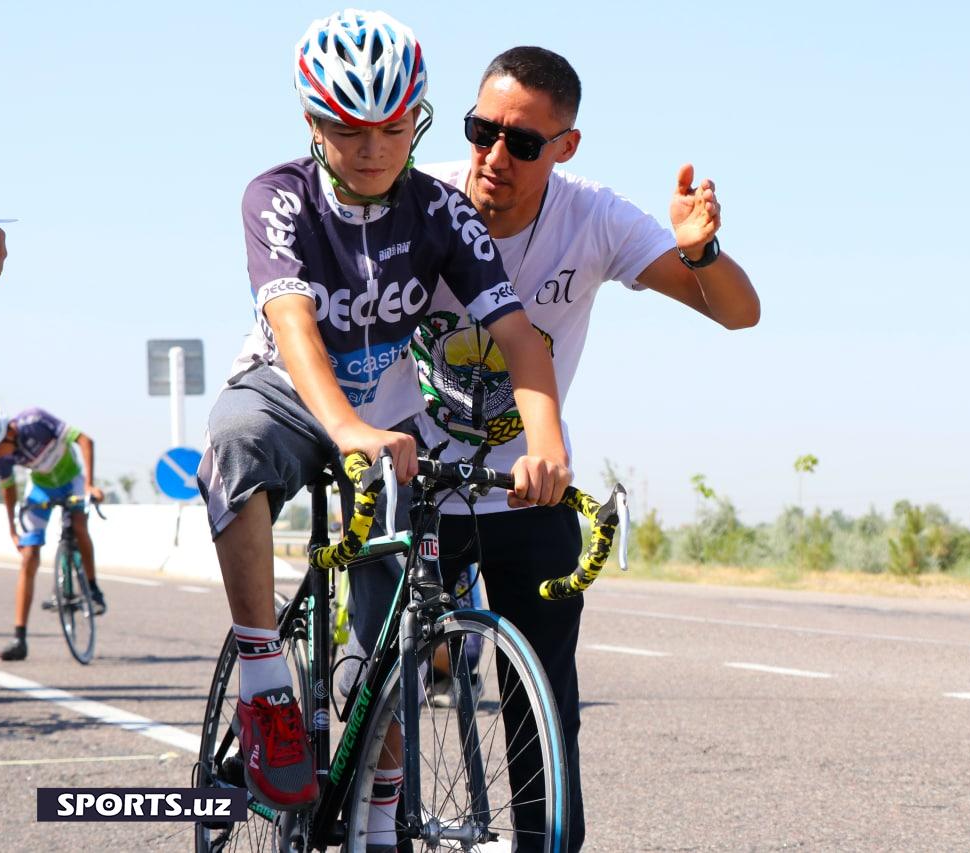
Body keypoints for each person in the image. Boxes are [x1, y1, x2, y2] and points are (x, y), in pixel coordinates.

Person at [345, 46, 759, 850]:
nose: (495, 156)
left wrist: (700, 251)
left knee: (543, 707)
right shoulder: (414, 197)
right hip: (408, 482)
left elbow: (737, 313)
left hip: (526, 487)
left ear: (565, 146)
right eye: (482, 131)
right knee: (378, 689)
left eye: (524, 142)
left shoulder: (593, 218)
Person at [195, 10, 571, 816]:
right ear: (312, 122)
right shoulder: (277, 196)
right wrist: (348, 429)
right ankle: (265, 684)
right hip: (288, 393)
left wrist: (545, 443)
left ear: (418, 121)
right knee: (234, 439)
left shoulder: (442, 211)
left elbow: (518, 337)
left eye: (393, 129)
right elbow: (294, 324)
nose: (372, 150)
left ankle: (377, 805)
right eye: (347, 129)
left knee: (395, 625)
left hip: (388, 420)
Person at [0, 406, 107, 661]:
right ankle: (19, 638)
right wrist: (12, 530)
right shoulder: (2, 457)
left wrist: (89, 485)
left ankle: (93, 589)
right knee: (28, 556)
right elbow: (9, 490)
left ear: (8, 433)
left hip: (72, 481)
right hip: (41, 488)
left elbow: (85, 440)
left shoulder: (36, 420)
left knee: (79, 525)